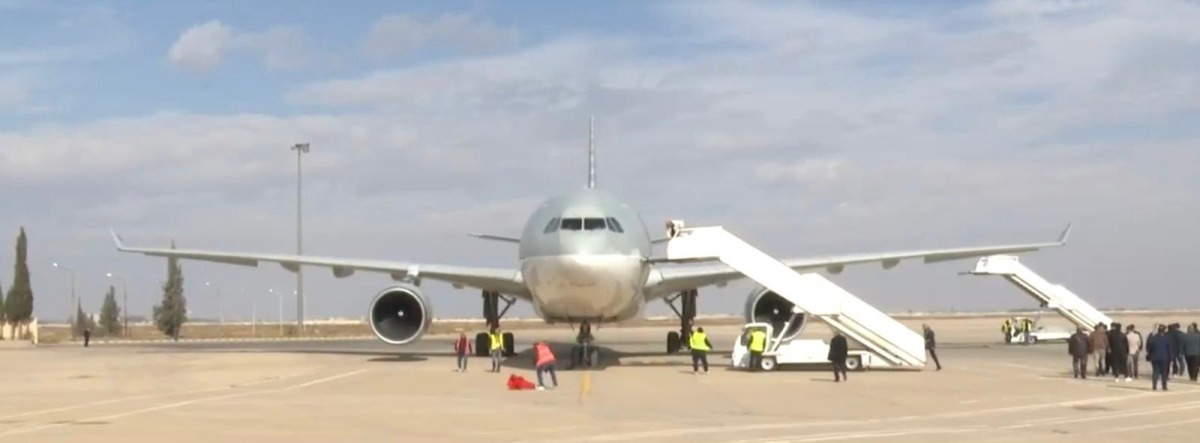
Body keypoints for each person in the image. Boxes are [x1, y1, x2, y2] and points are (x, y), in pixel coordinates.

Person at [1146, 324, 1172, 391]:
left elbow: (1149, 348)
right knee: (1164, 373)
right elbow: (1169, 349)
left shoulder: (1153, 338)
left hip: (1155, 357)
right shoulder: (1166, 338)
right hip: (1164, 357)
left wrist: (1150, 355)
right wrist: (1171, 357)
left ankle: (1154, 386)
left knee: (1155, 372)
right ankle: (1164, 386)